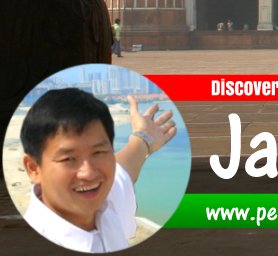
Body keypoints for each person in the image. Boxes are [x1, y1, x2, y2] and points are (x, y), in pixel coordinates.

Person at [19, 88, 177, 252]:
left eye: (98, 152)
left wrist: (144, 137)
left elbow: (124, 169)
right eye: (68, 159)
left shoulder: (104, 203)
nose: (89, 173)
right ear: (33, 168)